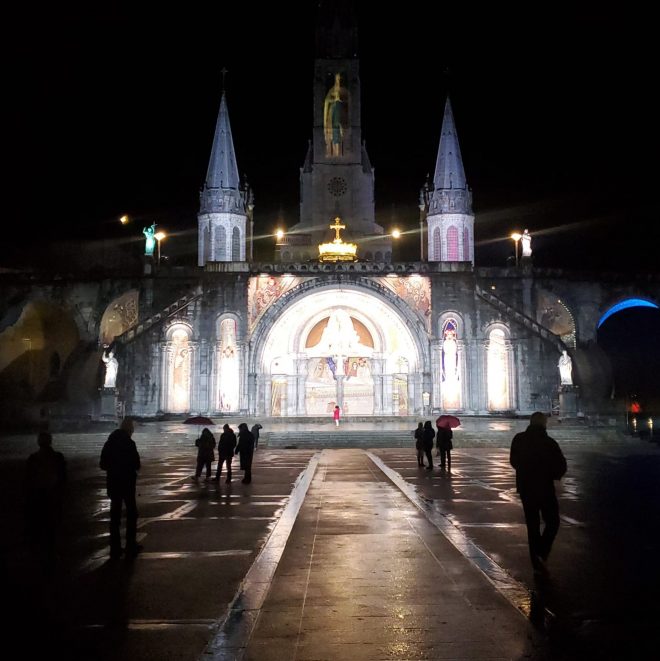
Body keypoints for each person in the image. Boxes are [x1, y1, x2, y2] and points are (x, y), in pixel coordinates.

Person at [510, 412, 567, 575]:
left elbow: (513, 461)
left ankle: (536, 561)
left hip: (526, 488)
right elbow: (560, 464)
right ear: (544, 424)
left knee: (532, 525)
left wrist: (524, 471)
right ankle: (542, 551)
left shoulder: (519, 439)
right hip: (545, 488)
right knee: (553, 521)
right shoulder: (548, 442)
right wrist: (554, 475)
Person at [100, 417, 141, 559]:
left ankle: (115, 547)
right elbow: (137, 464)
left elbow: (103, 464)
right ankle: (131, 545)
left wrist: (113, 468)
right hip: (127, 484)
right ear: (130, 429)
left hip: (114, 483)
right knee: (131, 514)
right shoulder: (130, 443)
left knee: (115, 515)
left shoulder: (109, 443)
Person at [24, 431, 66, 573]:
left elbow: (28, 480)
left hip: (38, 498)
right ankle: (51, 554)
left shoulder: (33, 459)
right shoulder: (57, 458)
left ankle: (40, 555)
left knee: (39, 527)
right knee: (52, 528)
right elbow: (63, 478)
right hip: (52, 497)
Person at [323, 72, 349, 157]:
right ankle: (334, 154)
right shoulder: (331, 91)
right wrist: (335, 100)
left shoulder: (344, 91)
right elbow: (327, 101)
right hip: (333, 117)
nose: (338, 81)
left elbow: (347, 103)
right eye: (337, 79)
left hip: (339, 119)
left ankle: (338, 155)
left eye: (339, 79)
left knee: (338, 137)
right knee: (333, 137)